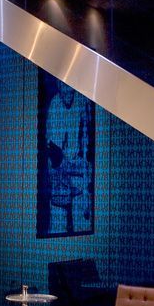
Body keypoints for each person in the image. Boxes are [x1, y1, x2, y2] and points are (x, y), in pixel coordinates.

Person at [44, 81, 92, 235]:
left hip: (78, 169)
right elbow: (54, 152)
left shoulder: (82, 101)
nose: (68, 93)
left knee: (83, 224)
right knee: (58, 227)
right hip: (59, 171)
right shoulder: (54, 105)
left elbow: (87, 137)